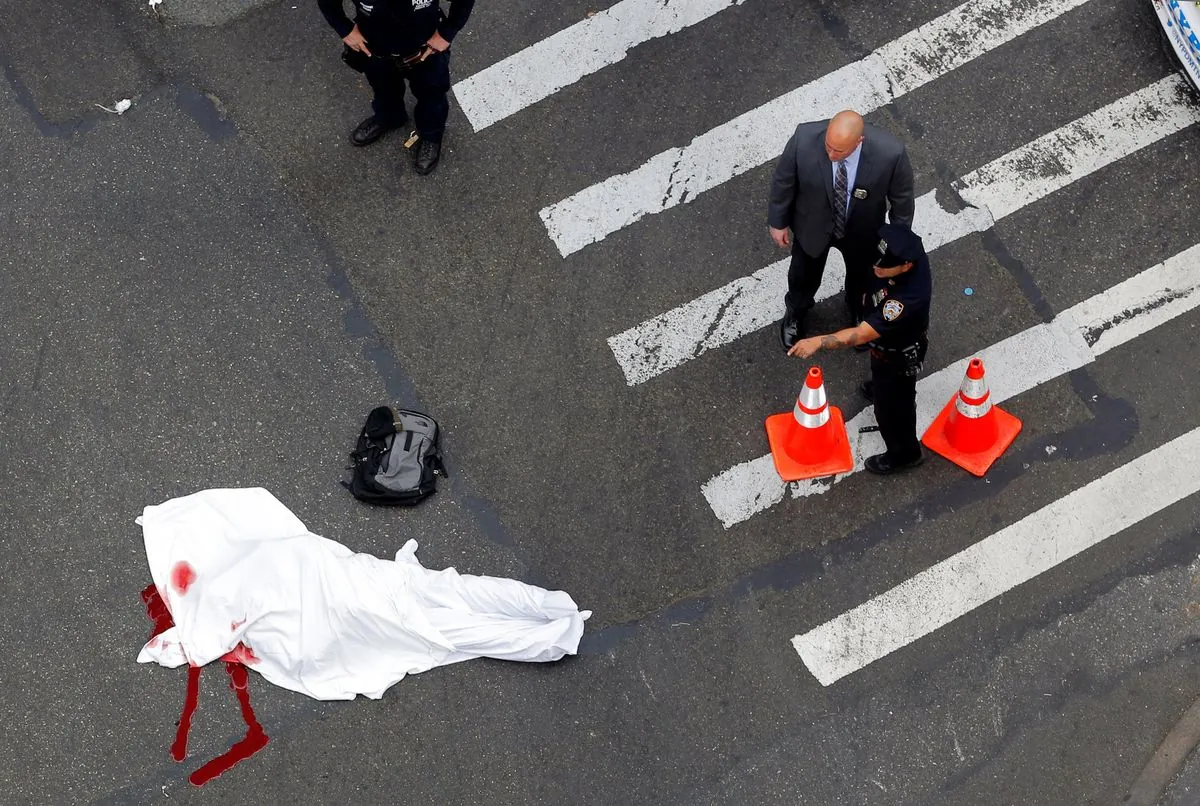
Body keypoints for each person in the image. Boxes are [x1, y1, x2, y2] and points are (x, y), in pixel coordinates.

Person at [787, 223, 931, 475]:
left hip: (897, 354)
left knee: (893, 408)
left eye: (883, 267)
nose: (877, 268)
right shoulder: (896, 246)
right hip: (884, 347)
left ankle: (905, 453)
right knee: (880, 377)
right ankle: (879, 388)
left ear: (906, 266)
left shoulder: (906, 300)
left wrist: (818, 342)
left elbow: (860, 334)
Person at [767, 110, 915, 351]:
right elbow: (784, 181)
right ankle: (796, 312)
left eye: (839, 151)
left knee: (862, 278)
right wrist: (778, 222)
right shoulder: (803, 138)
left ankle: (859, 311)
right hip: (812, 225)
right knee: (802, 276)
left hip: (862, 230)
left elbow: (903, 201)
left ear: (859, 142)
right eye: (828, 146)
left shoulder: (891, 154)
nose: (831, 154)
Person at [318, 0, 476, 175]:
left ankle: (431, 136)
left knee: (432, 97)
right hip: (375, 50)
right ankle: (390, 117)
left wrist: (447, 33)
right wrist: (345, 29)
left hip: (425, 51)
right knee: (383, 89)